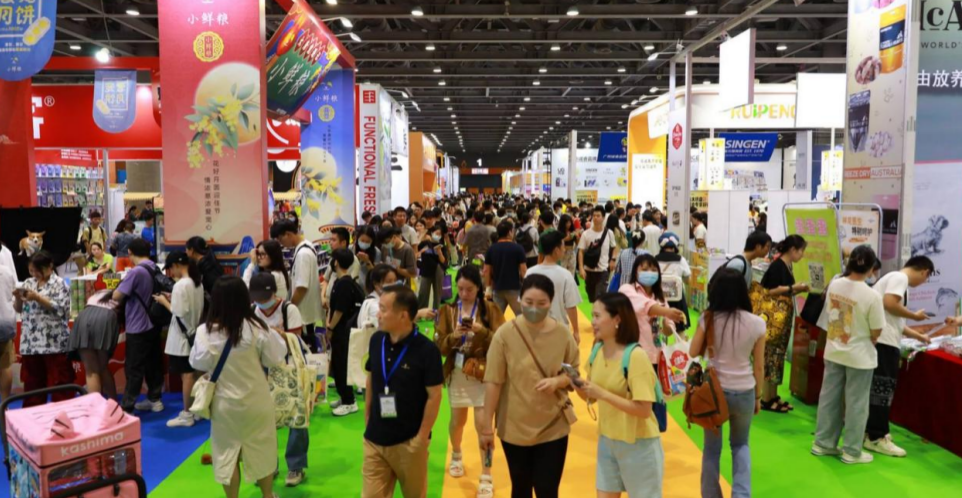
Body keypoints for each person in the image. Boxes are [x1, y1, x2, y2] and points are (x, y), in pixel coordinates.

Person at [480, 274, 579, 498]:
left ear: (551, 303)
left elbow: (574, 372)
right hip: (514, 427)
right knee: (520, 488)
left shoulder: (563, 334)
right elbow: (493, 382)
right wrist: (486, 428)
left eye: (541, 303)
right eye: (528, 302)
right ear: (520, 300)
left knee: (547, 489)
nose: (534, 308)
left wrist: (559, 381)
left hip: (553, 425)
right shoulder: (505, 334)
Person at [190, 277, 287, 498]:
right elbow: (275, 358)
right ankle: (267, 495)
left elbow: (197, 362)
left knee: (227, 454)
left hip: (224, 406)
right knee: (262, 449)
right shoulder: (257, 327)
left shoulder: (205, 332)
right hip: (256, 402)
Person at [577, 293, 664, 498]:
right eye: (592, 315)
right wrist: (573, 382)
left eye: (598, 316)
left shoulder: (636, 356)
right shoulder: (597, 351)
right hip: (607, 440)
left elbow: (644, 410)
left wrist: (603, 394)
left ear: (617, 319)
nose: (593, 322)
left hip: (639, 444)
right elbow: (591, 396)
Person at [689, 269, 767, 498]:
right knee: (741, 445)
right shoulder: (757, 323)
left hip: (713, 392)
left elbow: (693, 351)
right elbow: (759, 366)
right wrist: (758, 397)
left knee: (712, 449)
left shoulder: (708, 318)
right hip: (745, 391)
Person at [362, 285, 444, 498]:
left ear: (403, 315)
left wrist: (421, 438)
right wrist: (368, 417)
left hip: (409, 442)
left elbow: (435, 395)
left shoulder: (427, 351)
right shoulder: (376, 340)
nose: (378, 314)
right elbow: (371, 378)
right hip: (375, 440)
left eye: (383, 309)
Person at [812, 245, 885, 465]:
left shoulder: (836, 284)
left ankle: (823, 442)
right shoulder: (872, 296)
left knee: (829, 398)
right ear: (871, 268)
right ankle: (852, 450)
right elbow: (876, 331)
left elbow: (831, 314)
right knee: (856, 403)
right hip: (859, 356)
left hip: (834, 349)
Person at [436, 265, 504, 496]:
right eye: (461, 288)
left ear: (479, 288)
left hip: (484, 374)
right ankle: (456, 454)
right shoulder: (447, 311)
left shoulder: (491, 309)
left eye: (470, 289)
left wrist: (481, 331)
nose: (464, 294)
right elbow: (439, 346)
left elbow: (503, 341)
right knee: (457, 421)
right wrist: (453, 336)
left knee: (484, 427)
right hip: (457, 373)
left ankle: (487, 474)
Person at [864, 256, 935, 457]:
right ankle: (876, 436)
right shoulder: (899, 278)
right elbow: (890, 304)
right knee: (882, 390)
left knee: (878, 390)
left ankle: (873, 431)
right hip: (885, 343)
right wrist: (915, 316)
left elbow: (895, 320)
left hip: (884, 340)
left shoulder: (893, 279)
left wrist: (919, 336)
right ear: (924, 272)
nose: (923, 282)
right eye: (926, 278)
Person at [249, 272, 311, 487]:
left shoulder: (288, 309)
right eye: (257, 297)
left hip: (288, 368)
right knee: (264, 420)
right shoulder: (252, 311)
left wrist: (271, 332)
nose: (261, 302)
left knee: (296, 417)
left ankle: (296, 466)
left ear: (274, 293)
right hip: (262, 370)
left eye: (264, 297)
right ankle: (269, 466)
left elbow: (295, 338)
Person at [757, 235, 810, 413]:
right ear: (793, 250)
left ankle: (773, 396)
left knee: (778, 357)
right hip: (774, 320)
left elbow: (785, 291)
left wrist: (796, 289)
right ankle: (766, 398)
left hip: (782, 320)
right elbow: (770, 291)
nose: (802, 255)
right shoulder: (777, 266)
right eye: (801, 251)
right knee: (771, 356)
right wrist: (794, 288)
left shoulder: (786, 265)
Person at [113, 239, 166, 413]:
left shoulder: (135, 272)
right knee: (153, 364)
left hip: (137, 325)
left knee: (134, 368)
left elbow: (117, 296)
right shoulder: (154, 267)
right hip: (154, 323)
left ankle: (127, 407)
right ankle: (155, 399)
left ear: (129, 252)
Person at [154, 252, 206, 428]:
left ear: (176, 265)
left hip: (182, 337)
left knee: (187, 375)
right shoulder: (197, 283)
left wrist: (164, 301)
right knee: (194, 373)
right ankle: (196, 409)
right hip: (194, 334)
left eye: (171, 268)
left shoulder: (181, 285)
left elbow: (178, 312)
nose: (171, 272)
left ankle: (187, 413)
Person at [13, 252, 72, 407]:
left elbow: (61, 309)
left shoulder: (60, 284)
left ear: (49, 266)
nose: (35, 274)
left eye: (38, 270)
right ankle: (33, 417)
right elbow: (19, 309)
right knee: (33, 386)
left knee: (60, 384)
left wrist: (38, 298)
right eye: (31, 270)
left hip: (54, 343)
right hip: (31, 343)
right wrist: (18, 297)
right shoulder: (28, 283)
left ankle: (62, 416)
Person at [619, 254, 687, 369]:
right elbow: (644, 305)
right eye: (645, 269)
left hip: (658, 356)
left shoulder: (660, 298)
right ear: (635, 272)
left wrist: (666, 323)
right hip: (634, 354)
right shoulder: (627, 290)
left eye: (654, 270)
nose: (649, 273)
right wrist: (666, 312)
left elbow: (668, 332)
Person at [272, 219, 322, 350]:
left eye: (281, 239)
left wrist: (290, 308)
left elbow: (301, 287)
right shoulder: (306, 248)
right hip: (307, 314)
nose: (281, 244)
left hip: (303, 315)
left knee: (305, 351)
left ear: (288, 234)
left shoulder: (303, 254)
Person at [328, 249, 367, 416]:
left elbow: (339, 310)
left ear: (336, 262)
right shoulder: (345, 282)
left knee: (342, 365)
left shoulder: (344, 284)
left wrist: (330, 328)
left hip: (343, 331)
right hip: (344, 330)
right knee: (339, 364)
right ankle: (344, 397)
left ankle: (349, 401)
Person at [527, 231, 582, 343]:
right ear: (556, 250)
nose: (564, 249)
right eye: (562, 246)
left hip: (534, 330)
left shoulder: (530, 272)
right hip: (559, 330)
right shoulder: (565, 275)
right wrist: (576, 330)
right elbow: (571, 306)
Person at [485, 220, 528, 315]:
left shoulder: (491, 249)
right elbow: (523, 271)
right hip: (514, 288)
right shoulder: (518, 248)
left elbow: (487, 270)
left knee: (497, 317)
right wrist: (527, 286)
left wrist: (488, 287)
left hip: (497, 288)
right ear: (509, 232)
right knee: (521, 316)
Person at [655, 232, 691, 333]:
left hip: (659, 298)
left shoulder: (655, 259)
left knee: (657, 326)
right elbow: (688, 281)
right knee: (680, 328)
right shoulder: (681, 260)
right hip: (677, 298)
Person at [322, 227, 361, 317]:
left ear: (343, 243)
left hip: (342, 309)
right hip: (328, 306)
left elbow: (349, 289)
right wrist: (322, 297)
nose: (330, 243)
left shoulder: (353, 260)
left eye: (334, 240)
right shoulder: (333, 258)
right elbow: (326, 280)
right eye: (330, 240)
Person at [579, 206, 615, 303]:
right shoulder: (586, 234)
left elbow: (614, 247)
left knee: (600, 298)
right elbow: (581, 251)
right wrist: (581, 268)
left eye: (598, 216)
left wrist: (613, 260)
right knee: (592, 298)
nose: (595, 218)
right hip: (589, 270)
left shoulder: (609, 233)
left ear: (603, 217)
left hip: (603, 270)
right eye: (594, 215)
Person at [417, 225, 448, 310]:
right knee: (423, 292)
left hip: (438, 269)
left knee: (438, 292)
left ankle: (436, 311)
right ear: (431, 233)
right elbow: (416, 247)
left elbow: (443, 261)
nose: (438, 235)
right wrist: (423, 234)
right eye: (436, 233)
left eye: (439, 234)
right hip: (426, 269)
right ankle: (422, 310)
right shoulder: (425, 243)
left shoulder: (441, 246)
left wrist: (439, 252)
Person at [0, 259, 15, 401]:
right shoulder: (6, 270)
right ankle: (5, 404)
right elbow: (13, 293)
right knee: (5, 365)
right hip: (5, 321)